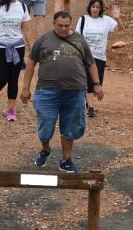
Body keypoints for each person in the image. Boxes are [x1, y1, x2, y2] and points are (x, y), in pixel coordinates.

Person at [20, 11, 104, 173]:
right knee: (45, 126)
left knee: (71, 127)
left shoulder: (79, 40)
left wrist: (97, 84)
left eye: (67, 26)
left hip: (74, 92)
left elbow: (91, 63)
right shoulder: (43, 40)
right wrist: (25, 88)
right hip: (47, 91)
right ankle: (45, 149)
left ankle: (66, 159)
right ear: (54, 24)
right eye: (60, 26)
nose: (64, 29)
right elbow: (30, 63)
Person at [76, 0, 123, 117]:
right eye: (93, 6)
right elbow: (77, 37)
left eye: (97, 7)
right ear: (89, 7)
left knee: (97, 83)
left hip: (100, 57)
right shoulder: (83, 19)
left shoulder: (106, 20)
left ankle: (88, 101)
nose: (95, 9)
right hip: (85, 56)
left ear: (101, 8)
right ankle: (90, 108)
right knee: (88, 82)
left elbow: (120, 29)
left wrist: (117, 18)